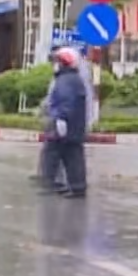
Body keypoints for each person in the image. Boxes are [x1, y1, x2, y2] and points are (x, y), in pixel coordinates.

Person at [43, 46, 89, 198]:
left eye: (58, 61)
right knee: (71, 155)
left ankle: (54, 184)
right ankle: (75, 186)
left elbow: (65, 102)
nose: (55, 64)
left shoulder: (66, 80)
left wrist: (60, 120)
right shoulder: (70, 78)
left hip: (66, 125)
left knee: (55, 154)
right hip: (73, 125)